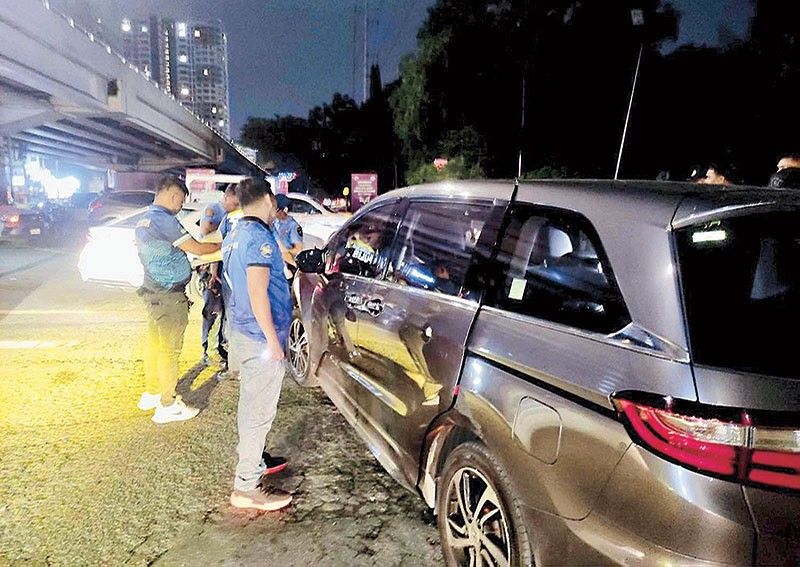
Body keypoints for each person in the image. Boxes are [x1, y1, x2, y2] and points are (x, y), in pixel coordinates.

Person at [223, 178, 293, 511]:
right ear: (267, 198)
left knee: (251, 407)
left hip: (242, 331)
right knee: (258, 413)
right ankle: (247, 487)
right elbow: (256, 290)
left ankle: (253, 467)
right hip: (258, 335)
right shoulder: (258, 237)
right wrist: (272, 340)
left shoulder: (235, 232)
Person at [134, 176, 220, 424]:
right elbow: (196, 248)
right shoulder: (164, 220)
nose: (181, 206)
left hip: (153, 291)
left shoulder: (145, 218)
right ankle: (168, 404)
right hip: (169, 296)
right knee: (169, 351)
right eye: (181, 201)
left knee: (155, 345)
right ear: (173, 195)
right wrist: (225, 246)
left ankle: (152, 392)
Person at [201, 185, 241, 368]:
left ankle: (234, 364)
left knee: (232, 319)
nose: (223, 201)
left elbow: (216, 243)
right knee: (226, 317)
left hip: (235, 278)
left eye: (226, 198)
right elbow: (218, 245)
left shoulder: (237, 219)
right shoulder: (229, 218)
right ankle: (226, 357)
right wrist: (214, 271)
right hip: (229, 278)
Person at [272, 194, 304, 262]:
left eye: (276, 209)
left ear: (283, 210)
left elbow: (298, 250)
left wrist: (283, 252)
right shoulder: (273, 223)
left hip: (287, 262)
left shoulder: (293, 226)